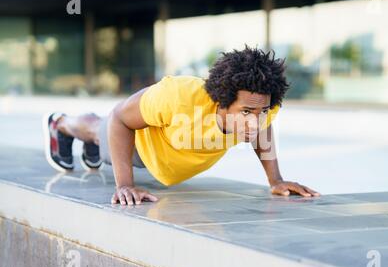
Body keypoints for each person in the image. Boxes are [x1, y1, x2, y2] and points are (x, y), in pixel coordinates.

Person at [42, 46, 320, 205]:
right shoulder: (178, 96)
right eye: (246, 111)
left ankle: (91, 143)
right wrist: (125, 184)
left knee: (100, 139)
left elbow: (264, 130)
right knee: (99, 129)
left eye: (261, 112)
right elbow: (120, 118)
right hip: (141, 146)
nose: (254, 121)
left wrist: (276, 180)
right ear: (221, 100)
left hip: (170, 165)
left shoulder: (261, 107)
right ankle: (61, 124)